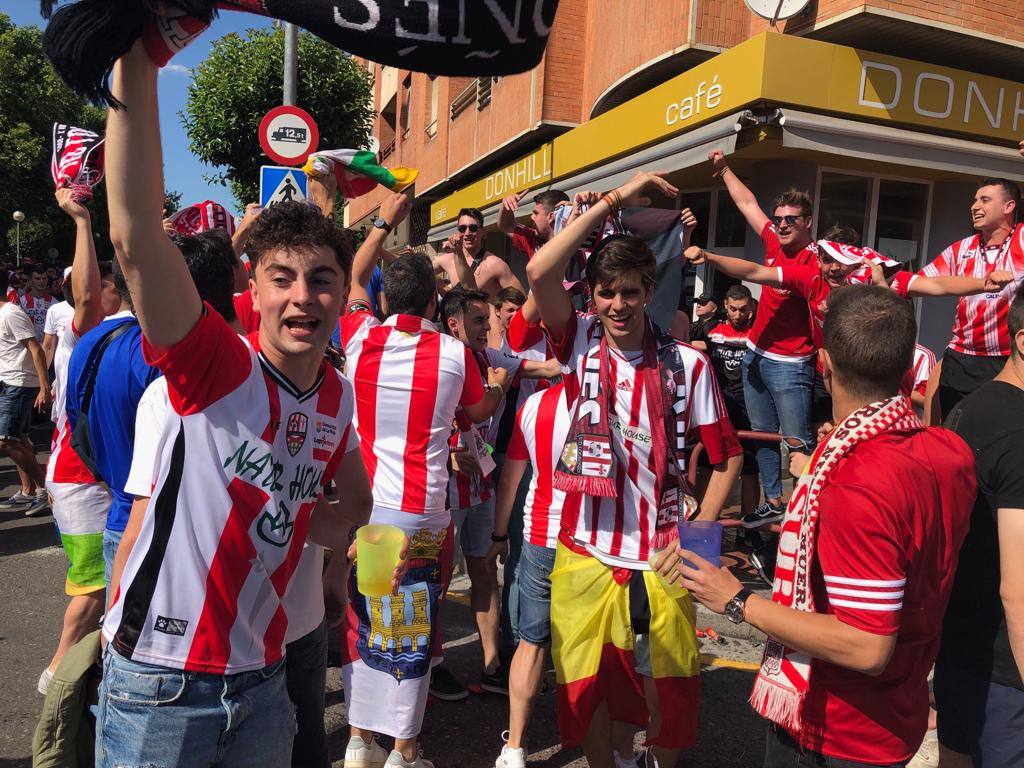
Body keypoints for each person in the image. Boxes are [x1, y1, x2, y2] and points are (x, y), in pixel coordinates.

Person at [97, 41, 374, 768]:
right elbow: (132, 238)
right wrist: (136, 61)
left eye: (321, 280)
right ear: (252, 294)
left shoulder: (337, 396)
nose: (302, 295)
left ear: (343, 298)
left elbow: (354, 510)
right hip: (162, 680)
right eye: (281, 278)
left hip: (262, 682)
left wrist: (296, 513)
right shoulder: (218, 363)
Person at [674, 284, 977, 768]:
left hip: (835, 730)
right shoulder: (948, 450)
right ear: (906, 368)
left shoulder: (855, 482)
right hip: (897, 717)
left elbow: (866, 644)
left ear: (824, 364)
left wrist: (735, 598)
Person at [527, 172, 742, 768]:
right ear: (591, 296)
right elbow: (541, 272)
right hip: (587, 552)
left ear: (649, 290)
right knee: (586, 686)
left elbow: (728, 459)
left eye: (629, 291)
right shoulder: (576, 341)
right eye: (605, 292)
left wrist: (697, 527)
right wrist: (614, 200)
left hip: (662, 552)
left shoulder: (688, 365)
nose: (617, 305)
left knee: (668, 692)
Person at [340, 191, 510, 768]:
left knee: (366, 622)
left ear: (387, 295)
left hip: (369, 511)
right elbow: (480, 414)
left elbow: (358, 272)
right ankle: (404, 750)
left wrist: (386, 215)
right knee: (411, 629)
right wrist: (501, 385)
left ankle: (359, 739)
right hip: (422, 512)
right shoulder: (453, 354)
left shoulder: (359, 337)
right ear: (436, 298)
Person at [441, 285, 558, 696]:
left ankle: (492, 664)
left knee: (484, 570)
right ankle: (433, 663)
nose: (488, 329)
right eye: (479, 321)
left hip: (482, 487)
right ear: (453, 324)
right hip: (443, 491)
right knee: (437, 579)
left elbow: (542, 369)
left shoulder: (488, 357)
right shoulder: (441, 359)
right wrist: (449, 456)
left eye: (488, 321)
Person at [936, 282, 1024, 768]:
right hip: (1008, 669)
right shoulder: (1018, 431)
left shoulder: (972, 407)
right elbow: (1019, 589)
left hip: (961, 644)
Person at [707, 149, 818, 528]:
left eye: (791, 219)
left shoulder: (814, 261)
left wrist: (708, 255)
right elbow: (746, 202)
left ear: (808, 222)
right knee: (763, 436)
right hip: (756, 354)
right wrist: (724, 170)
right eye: (780, 219)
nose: (782, 225)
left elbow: (753, 271)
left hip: (791, 365)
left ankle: (806, 510)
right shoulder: (774, 240)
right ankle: (773, 499)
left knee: (797, 442)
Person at [38, 186, 117, 695]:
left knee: (105, 586)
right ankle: (56, 682)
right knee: (94, 587)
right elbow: (86, 297)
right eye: (114, 284)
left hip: (81, 478)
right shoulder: (85, 332)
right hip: (79, 480)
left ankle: (81, 679)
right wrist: (83, 222)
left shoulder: (100, 334)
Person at [489, 382, 575, 768]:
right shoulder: (618, 395)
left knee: (531, 642)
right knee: (595, 645)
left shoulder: (536, 404)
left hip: (542, 533)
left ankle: (515, 748)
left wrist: (499, 533)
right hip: (595, 542)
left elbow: (511, 479)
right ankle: (603, 743)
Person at [921, 178, 1024, 416]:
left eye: (985, 200)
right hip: (961, 358)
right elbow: (924, 281)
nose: (974, 206)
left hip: (1006, 359)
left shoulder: (1021, 239)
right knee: (954, 432)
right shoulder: (962, 247)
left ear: (1009, 207)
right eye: (974, 200)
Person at [690, 284, 760, 520]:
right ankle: (699, 521)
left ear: (751, 307)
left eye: (742, 309)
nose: (738, 315)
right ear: (725, 307)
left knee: (750, 469)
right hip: (719, 408)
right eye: (733, 309)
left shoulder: (759, 330)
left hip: (749, 408)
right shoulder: (711, 328)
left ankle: (750, 529)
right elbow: (687, 344)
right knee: (708, 465)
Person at [0, 269, 51, 516]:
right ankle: (28, 490)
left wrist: (44, 387)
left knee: (6, 441)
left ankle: (45, 489)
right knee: (18, 439)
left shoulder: (11, 313)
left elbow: (36, 348)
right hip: (5, 381)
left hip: (19, 382)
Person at [433, 207, 524, 300]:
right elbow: (420, 271)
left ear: (483, 232)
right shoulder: (447, 259)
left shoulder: (495, 264)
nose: (467, 233)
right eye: (462, 228)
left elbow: (521, 299)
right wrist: (443, 288)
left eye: (473, 228)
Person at [497, 189, 571, 260]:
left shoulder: (577, 241)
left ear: (551, 217)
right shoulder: (533, 240)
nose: (531, 217)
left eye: (536, 213)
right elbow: (505, 225)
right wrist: (506, 204)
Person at [41, 267, 75, 368]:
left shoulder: (103, 308)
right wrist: (43, 379)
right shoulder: (56, 309)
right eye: (72, 281)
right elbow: (48, 347)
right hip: (62, 376)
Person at [20, 264, 57, 341]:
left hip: (47, 346)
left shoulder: (55, 303)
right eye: (37, 278)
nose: (41, 281)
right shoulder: (21, 302)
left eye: (44, 278)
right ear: (31, 281)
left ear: (47, 280)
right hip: (28, 347)